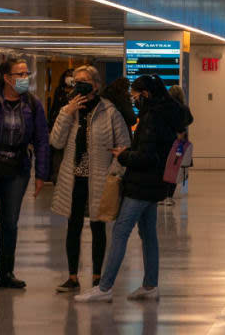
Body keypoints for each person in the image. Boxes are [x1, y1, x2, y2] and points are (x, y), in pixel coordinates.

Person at [75, 74, 186, 303]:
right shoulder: (166, 112)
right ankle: (150, 285)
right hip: (156, 184)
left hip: (141, 185)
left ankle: (104, 287)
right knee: (148, 235)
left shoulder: (151, 117)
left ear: (145, 94)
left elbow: (146, 156)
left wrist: (123, 155)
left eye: (135, 96)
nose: (134, 101)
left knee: (120, 231)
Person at [50, 65, 131, 293]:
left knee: (98, 225)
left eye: (85, 81)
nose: (80, 85)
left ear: (96, 85)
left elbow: (123, 144)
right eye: (76, 82)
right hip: (74, 177)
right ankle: (72, 276)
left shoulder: (110, 111)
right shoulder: (68, 110)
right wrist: (67, 113)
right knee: (73, 225)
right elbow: (56, 141)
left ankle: (97, 276)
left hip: (99, 177)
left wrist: (114, 172)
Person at [0, 57, 50, 289]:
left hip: (17, 168)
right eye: (20, 74)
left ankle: (7, 272)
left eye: (27, 74)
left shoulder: (33, 105)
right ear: (7, 78)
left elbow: (41, 140)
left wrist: (41, 174)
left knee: (10, 221)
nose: (25, 78)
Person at [163, 84, 193, 206]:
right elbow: (190, 120)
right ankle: (169, 196)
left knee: (165, 167)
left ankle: (163, 195)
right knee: (175, 168)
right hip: (180, 142)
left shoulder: (166, 108)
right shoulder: (184, 108)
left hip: (167, 141)